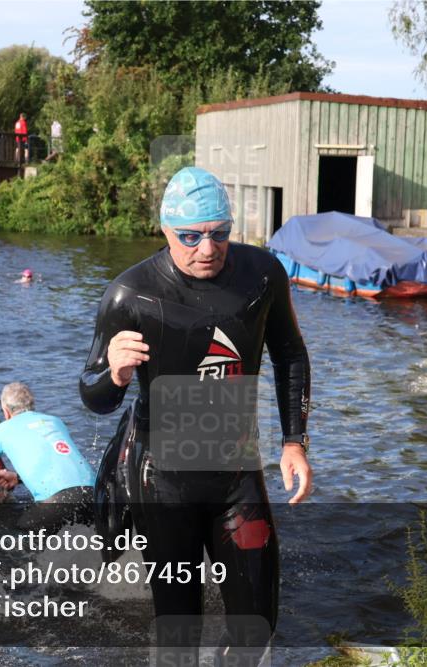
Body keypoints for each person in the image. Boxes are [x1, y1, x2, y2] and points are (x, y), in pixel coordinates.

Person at [78, 166, 312, 663]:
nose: (207, 249)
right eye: (190, 237)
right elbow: (92, 395)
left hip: (236, 476)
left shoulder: (262, 275)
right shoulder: (129, 294)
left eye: (219, 234)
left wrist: (294, 442)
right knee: (178, 633)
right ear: (165, 230)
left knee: (258, 625)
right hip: (162, 482)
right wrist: (116, 375)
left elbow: (290, 354)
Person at [0, 382, 95, 532]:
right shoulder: (55, 421)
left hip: (59, 502)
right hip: (96, 494)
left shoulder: (0, 430)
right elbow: (55, 461)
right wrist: (18, 477)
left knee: (17, 533)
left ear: (6, 412)